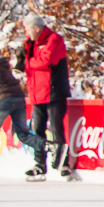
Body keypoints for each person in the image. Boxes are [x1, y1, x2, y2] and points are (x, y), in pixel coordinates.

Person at [21, 14, 77, 182]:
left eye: (28, 29)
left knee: (56, 127)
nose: (27, 32)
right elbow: (26, 60)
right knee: (37, 129)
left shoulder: (54, 39)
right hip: (37, 93)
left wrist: (28, 62)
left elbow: (45, 60)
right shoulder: (30, 43)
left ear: (37, 28)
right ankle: (39, 164)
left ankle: (63, 163)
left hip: (54, 91)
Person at [0, 51, 42, 175]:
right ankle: (49, 146)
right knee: (23, 134)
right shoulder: (1, 63)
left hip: (5, 100)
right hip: (18, 98)